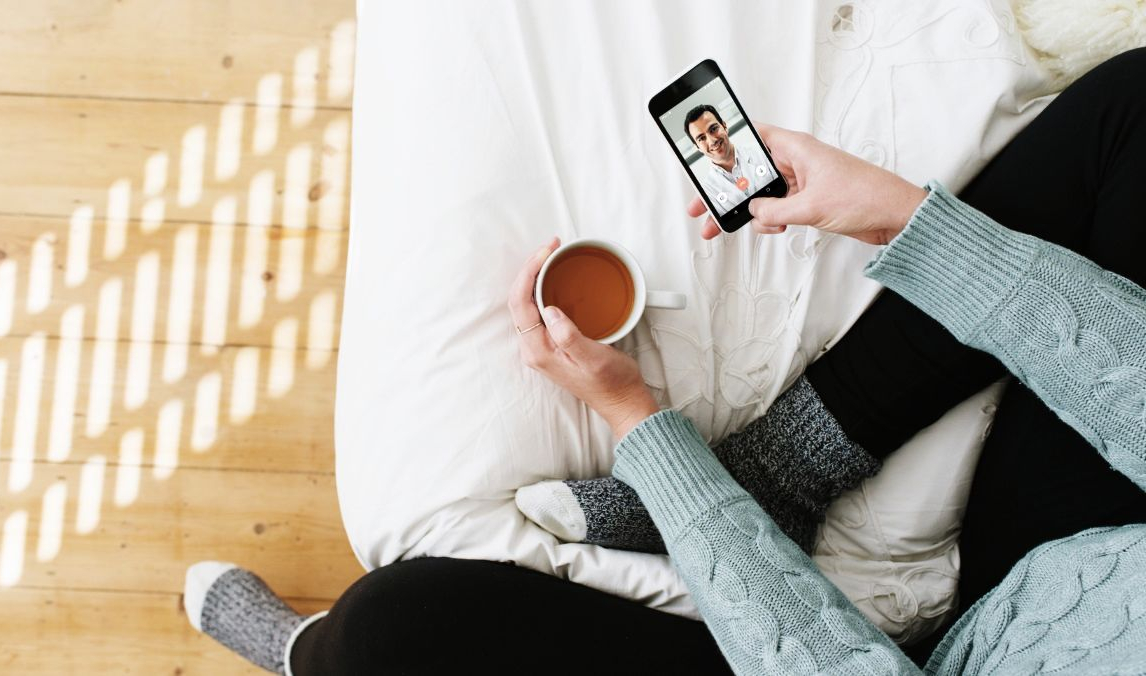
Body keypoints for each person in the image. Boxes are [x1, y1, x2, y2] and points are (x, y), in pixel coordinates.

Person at [182, 48, 1146, 674]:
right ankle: (787, 463)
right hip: (1102, 557)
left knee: (386, 638)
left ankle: (307, 653)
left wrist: (649, 437)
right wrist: (902, 218)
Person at [683, 103, 778, 216]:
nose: (712, 141)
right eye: (701, 138)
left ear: (724, 126)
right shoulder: (708, 190)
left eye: (713, 129)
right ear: (698, 147)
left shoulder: (760, 150)